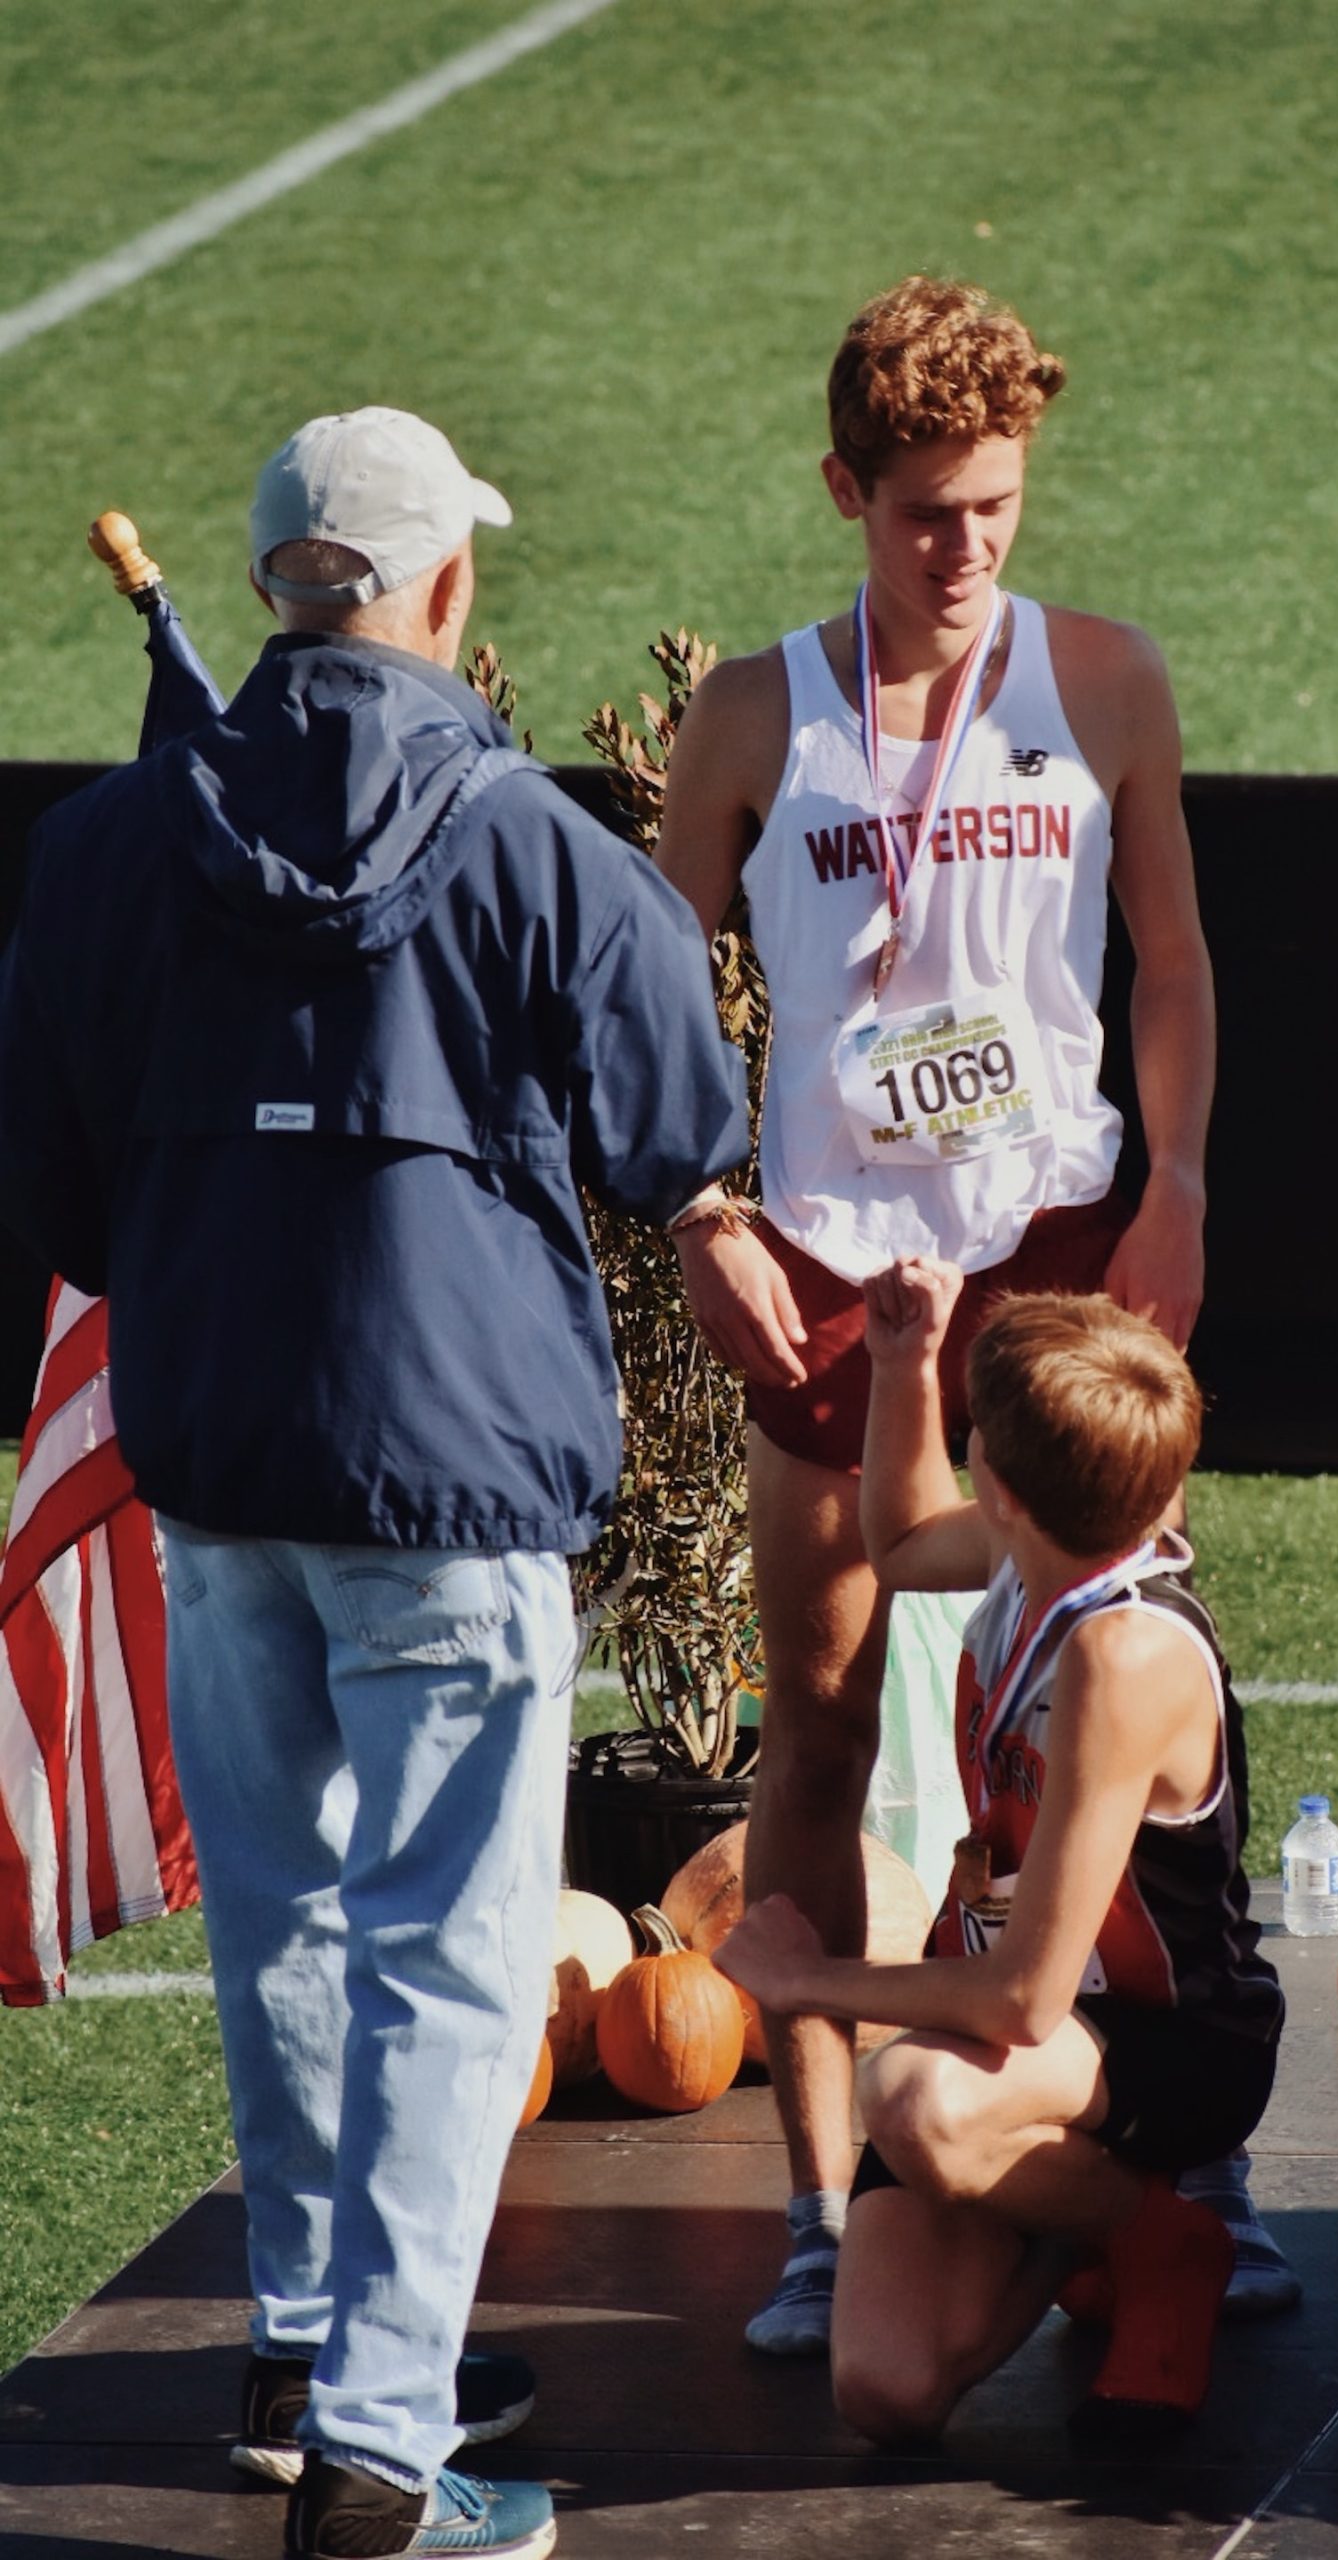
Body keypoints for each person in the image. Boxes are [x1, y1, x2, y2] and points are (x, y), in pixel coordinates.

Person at [0, 407, 747, 2560]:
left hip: (220, 1458)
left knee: (291, 1928)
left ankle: (310, 2358)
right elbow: (672, 1115)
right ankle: (385, 2445)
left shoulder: (104, 848)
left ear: (265, 595)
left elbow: (53, 1191)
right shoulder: (528, 841)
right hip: (453, 1475)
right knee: (445, 1951)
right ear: (441, 590)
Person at [656, 275, 1293, 2350]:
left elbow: (1173, 961)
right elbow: (650, 1001)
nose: (965, 551)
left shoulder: (1099, 678)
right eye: (925, 510)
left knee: (1124, 1682)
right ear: (844, 488)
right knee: (822, 1712)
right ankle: (823, 2207)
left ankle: (1176, 2166)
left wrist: (1179, 1181)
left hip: (1059, 1257)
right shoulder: (753, 714)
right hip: (840, 1273)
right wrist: (692, 1202)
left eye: (996, 506)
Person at [713, 1259, 1284, 2440]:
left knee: (912, 2098)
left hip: (1168, 2041)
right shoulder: (1045, 1546)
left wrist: (806, 1980)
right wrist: (903, 1365)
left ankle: (1160, 2237)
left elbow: (1025, 1999)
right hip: (1028, 2044)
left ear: (1006, 1485)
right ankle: (1090, 2226)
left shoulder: (1122, 1653)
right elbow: (902, 1534)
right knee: (887, 2387)